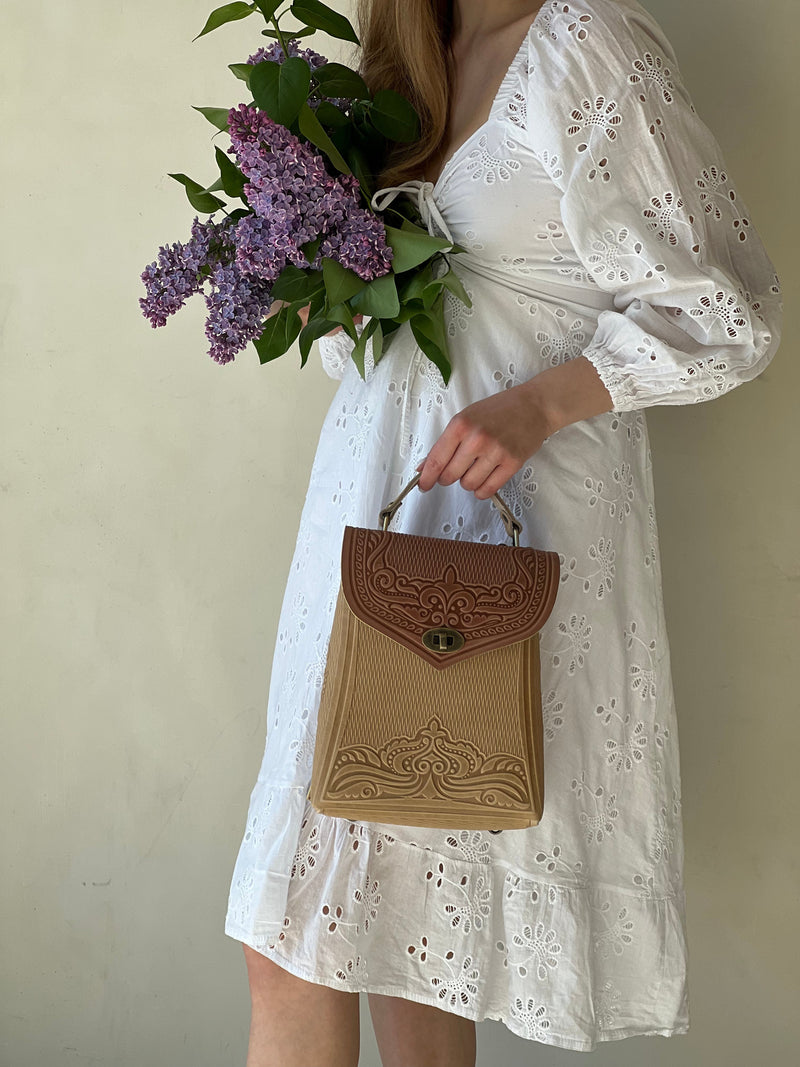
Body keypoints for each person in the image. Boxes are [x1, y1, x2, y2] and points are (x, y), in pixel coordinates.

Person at [224, 1, 783, 1064]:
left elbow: (727, 313)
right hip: (367, 516)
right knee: (374, 938)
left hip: (503, 544)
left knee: (358, 938)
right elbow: (408, 340)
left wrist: (540, 404)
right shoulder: (405, 57)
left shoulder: (586, 44)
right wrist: (331, 306)